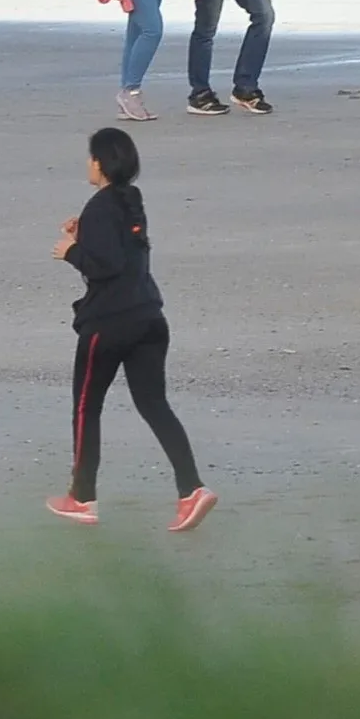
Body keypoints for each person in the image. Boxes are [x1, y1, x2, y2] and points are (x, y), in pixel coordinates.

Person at [47, 127, 217, 533]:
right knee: (154, 404)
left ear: (101, 163)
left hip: (109, 325)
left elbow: (106, 266)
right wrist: (83, 231)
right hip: (150, 320)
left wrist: (71, 251)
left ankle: (82, 498)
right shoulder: (131, 200)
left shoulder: (100, 206)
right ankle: (191, 489)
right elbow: (122, 248)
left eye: (91, 157)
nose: (88, 164)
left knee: (87, 407)